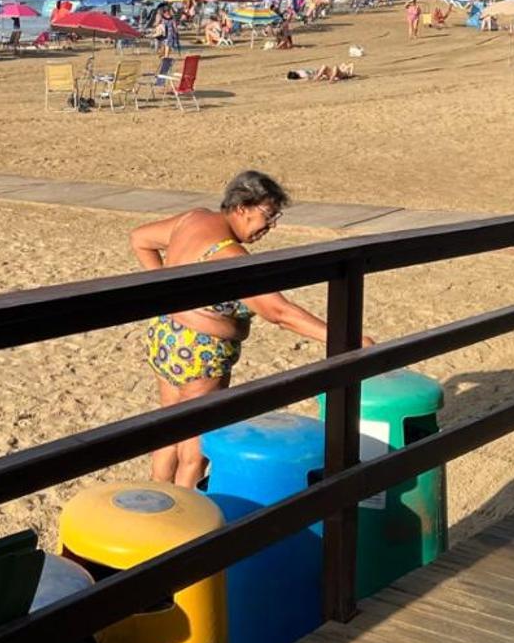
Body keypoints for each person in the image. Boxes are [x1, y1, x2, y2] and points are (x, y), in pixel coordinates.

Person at [131, 171, 366, 488]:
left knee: (169, 426)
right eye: (267, 217)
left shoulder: (193, 219)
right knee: (195, 452)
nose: (271, 227)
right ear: (242, 207)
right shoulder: (228, 254)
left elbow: (140, 239)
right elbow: (279, 313)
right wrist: (346, 338)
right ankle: (181, 520)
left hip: (165, 337)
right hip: (201, 353)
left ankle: (155, 496)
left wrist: (168, 294)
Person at [285, 62, 355, 82]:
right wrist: (345, 66)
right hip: (335, 74)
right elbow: (350, 65)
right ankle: (320, 77)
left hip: (340, 75)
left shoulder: (345, 71)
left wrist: (349, 71)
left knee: (334, 67)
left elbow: (351, 65)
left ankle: (330, 79)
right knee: (326, 66)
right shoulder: (343, 68)